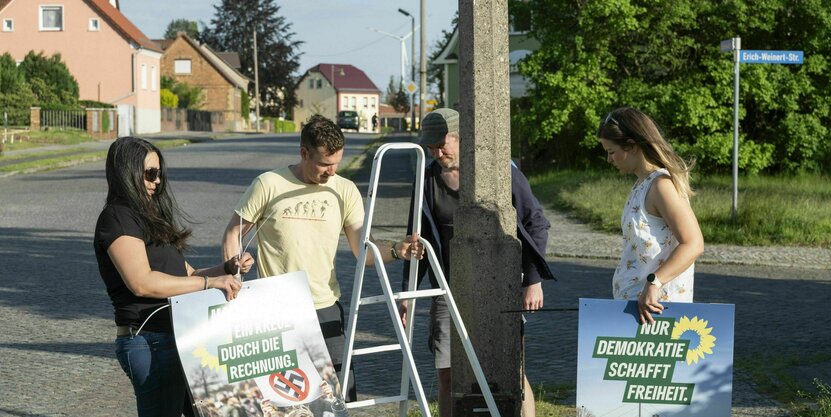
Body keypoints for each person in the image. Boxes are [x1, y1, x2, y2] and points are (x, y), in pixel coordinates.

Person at [222, 114, 422, 402]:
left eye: (337, 162)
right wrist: (233, 273)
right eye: (325, 164)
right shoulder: (269, 184)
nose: (332, 171)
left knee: (340, 396)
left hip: (325, 307)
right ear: (304, 153)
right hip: (276, 310)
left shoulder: (344, 190)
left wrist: (395, 250)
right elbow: (232, 233)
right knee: (284, 400)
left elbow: (362, 250)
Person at [399, 108, 556, 417]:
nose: (437, 152)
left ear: (462, 138)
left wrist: (532, 280)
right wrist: (407, 293)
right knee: (447, 373)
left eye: (442, 144)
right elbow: (415, 241)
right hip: (447, 289)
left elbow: (536, 222)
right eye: (430, 147)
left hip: (499, 285)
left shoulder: (500, 171)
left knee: (512, 370)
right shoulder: (427, 179)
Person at [93, 136, 254, 417]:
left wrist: (227, 268)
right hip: (150, 339)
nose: (157, 181)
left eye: (160, 174)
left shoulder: (150, 216)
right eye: (150, 173)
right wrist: (209, 283)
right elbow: (141, 282)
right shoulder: (117, 218)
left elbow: (187, 274)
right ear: (127, 173)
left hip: (178, 336)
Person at [597, 107, 704, 324]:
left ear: (632, 146)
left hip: (658, 313)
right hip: (637, 310)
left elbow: (693, 244)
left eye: (611, 151)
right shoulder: (642, 184)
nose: (609, 159)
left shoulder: (661, 185)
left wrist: (654, 283)